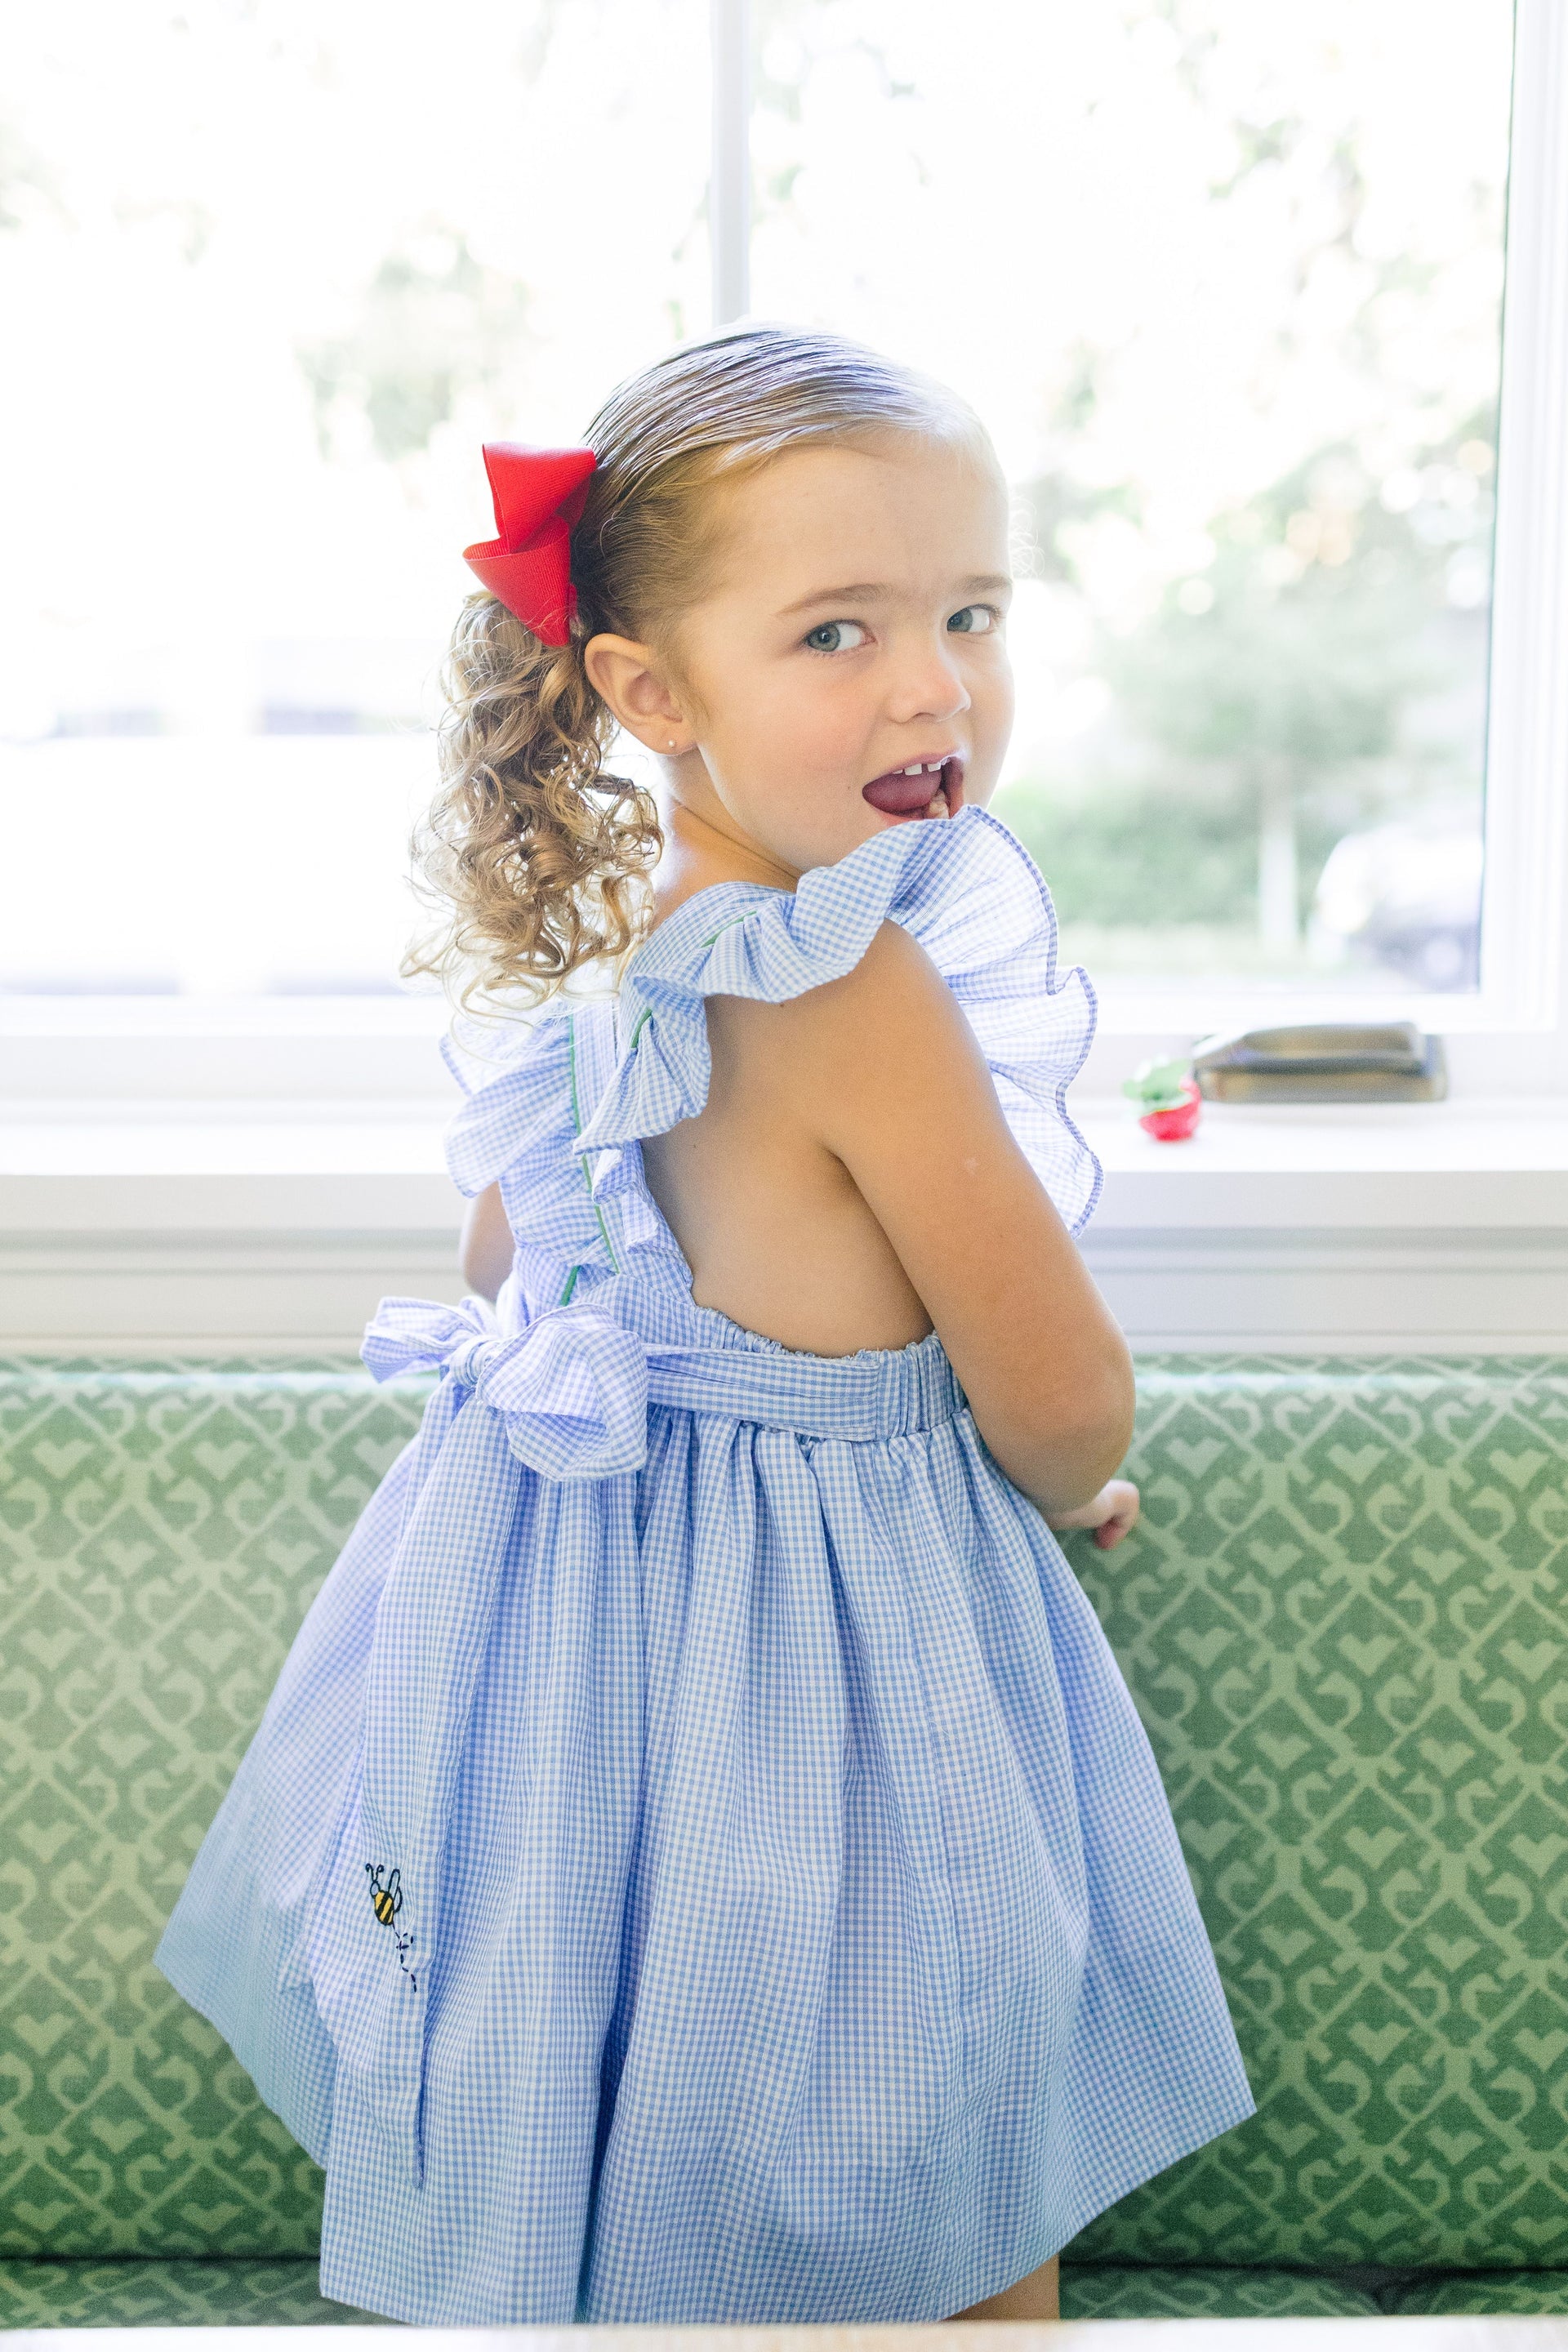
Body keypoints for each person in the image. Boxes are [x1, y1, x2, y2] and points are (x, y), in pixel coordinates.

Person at [157, 323, 1251, 2328]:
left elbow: (524, 1275)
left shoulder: (615, 965)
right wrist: (1059, 1478)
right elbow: (1071, 1394)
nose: (935, 682)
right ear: (650, 691)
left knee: (606, 2170)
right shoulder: (854, 988)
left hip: (563, 1706)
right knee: (941, 2160)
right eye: (838, 632)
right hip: (829, 1701)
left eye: (971, 612)